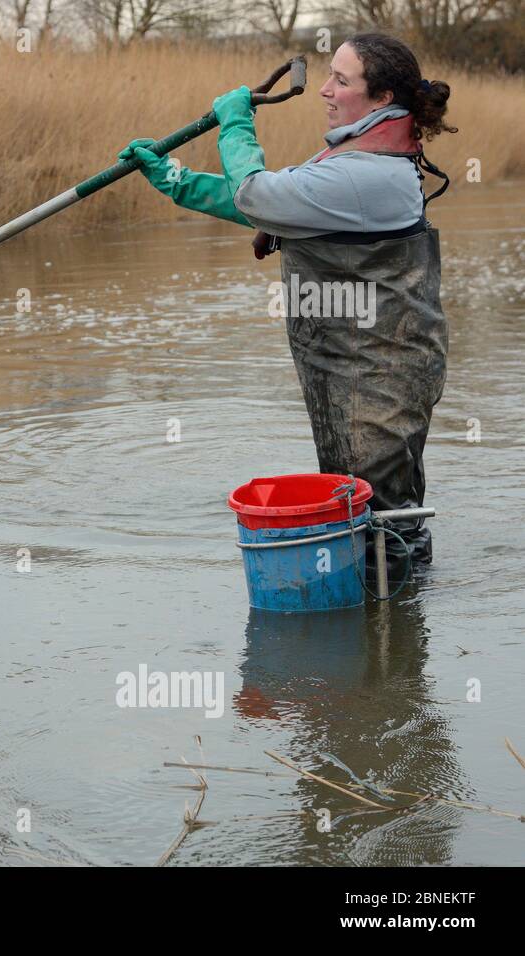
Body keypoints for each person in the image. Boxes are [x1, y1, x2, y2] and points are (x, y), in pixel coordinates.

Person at [122, 34, 455, 580]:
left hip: (379, 369)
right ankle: (389, 623)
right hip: (352, 359)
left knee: (381, 519)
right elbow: (271, 204)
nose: (325, 90)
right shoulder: (356, 158)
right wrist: (175, 180)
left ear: (381, 99)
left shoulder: (368, 172)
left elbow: (258, 195)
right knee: (365, 506)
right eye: (328, 75)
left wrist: (234, 122)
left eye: (341, 81)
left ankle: (394, 641)